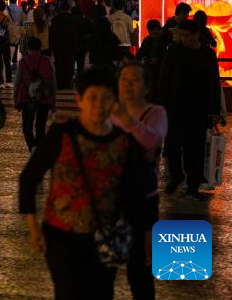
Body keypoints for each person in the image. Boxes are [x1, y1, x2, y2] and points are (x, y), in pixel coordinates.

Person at [19, 68, 152, 300]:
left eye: (106, 98)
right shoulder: (61, 135)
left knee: (102, 293)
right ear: (79, 99)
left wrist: (146, 236)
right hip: (62, 236)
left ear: (114, 101)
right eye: (92, 98)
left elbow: (138, 192)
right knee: (68, 292)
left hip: (105, 235)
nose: (99, 105)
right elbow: (29, 178)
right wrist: (32, 227)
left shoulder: (124, 142)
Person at [111, 62, 167, 300]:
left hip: (143, 200)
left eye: (134, 79)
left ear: (146, 87)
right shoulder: (110, 112)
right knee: (105, 268)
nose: (128, 84)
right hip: (111, 199)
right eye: (124, 79)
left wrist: (128, 120)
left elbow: (151, 140)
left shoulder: (156, 113)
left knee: (141, 267)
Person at [156, 20, 221, 198]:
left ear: (197, 35)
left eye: (187, 35)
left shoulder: (207, 54)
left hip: (198, 109)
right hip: (175, 107)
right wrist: (160, 105)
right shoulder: (173, 51)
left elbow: (214, 83)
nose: (183, 39)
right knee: (173, 145)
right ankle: (177, 175)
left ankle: (193, 186)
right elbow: (164, 79)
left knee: (196, 149)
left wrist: (214, 110)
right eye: (181, 35)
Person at [16, 36, 56, 151]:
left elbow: (17, 83)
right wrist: (54, 102)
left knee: (27, 126)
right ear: (41, 47)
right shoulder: (47, 61)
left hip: (27, 99)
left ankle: (32, 147)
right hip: (44, 97)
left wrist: (16, 100)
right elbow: (53, 83)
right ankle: (38, 147)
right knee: (41, 126)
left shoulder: (23, 62)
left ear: (28, 47)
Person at [49, 2, 81, 90]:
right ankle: (67, 84)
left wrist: (51, 47)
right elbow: (77, 33)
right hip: (71, 46)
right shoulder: (73, 19)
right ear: (69, 9)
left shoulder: (55, 19)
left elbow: (52, 34)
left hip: (58, 46)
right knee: (69, 65)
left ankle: (60, 84)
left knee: (59, 65)